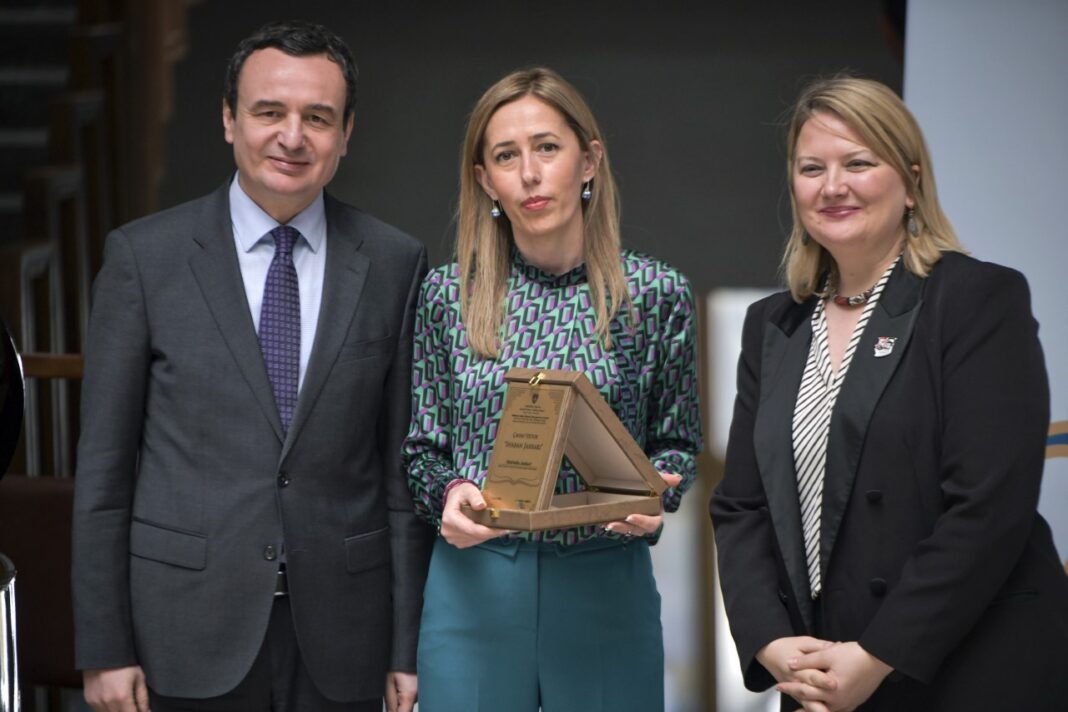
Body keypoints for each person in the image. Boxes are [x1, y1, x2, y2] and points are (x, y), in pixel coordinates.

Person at [71, 20, 430, 712]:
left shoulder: (394, 263)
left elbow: (400, 477)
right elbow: (104, 476)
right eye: (269, 112)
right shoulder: (144, 259)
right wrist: (105, 648)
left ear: (346, 133)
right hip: (182, 629)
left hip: (346, 636)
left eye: (317, 117)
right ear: (229, 119)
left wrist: (406, 647)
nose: (292, 137)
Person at [710, 76, 1068, 712]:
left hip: (968, 666)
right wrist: (771, 641)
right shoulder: (773, 324)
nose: (832, 186)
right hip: (821, 674)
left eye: (858, 163)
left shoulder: (975, 300)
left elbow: (988, 505)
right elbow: (742, 506)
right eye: (812, 168)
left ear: (910, 181)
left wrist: (878, 654)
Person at [401, 67, 703, 711]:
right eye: (506, 156)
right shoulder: (447, 296)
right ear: (486, 180)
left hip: (605, 581)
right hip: (474, 586)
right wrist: (448, 494)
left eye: (547, 147)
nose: (530, 174)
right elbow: (422, 450)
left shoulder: (654, 294)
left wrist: (660, 495)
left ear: (589, 161)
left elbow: (677, 443)